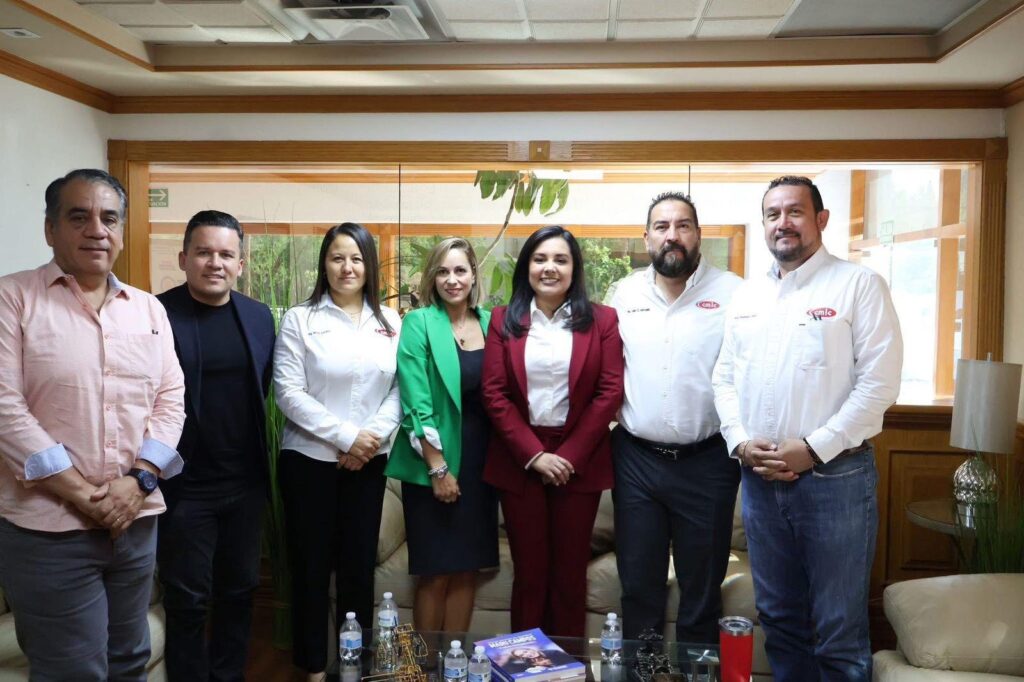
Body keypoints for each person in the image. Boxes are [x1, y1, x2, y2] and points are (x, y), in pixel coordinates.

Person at [712, 176, 903, 681]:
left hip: (835, 481)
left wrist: (814, 449)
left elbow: (879, 385)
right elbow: (724, 378)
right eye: (773, 214)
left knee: (838, 630)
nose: (783, 223)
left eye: (795, 212)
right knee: (779, 621)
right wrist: (739, 441)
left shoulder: (858, 285)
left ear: (821, 219)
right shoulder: (748, 295)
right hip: (758, 480)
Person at [0, 168, 185, 680]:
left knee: (130, 660)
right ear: (50, 229)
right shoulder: (13, 298)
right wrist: (85, 495)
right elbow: (5, 408)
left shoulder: (148, 309)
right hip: (47, 528)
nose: (96, 230)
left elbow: (170, 400)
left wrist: (140, 480)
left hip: (135, 521)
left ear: (121, 230)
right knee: (72, 671)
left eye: (109, 218)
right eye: (78, 217)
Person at [609, 192, 742, 643]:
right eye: (662, 227)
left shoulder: (733, 293)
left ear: (698, 235)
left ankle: (694, 673)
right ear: (646, 237)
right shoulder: (624, 294)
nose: (672, 235)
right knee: (638, 586)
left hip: (708, 461)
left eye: (683, 226)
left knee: (702, 591)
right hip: (636, 461)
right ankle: (642, 674)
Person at [481, 225, 624, 638]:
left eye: (560, 259)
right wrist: (534, 455)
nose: (550, 268)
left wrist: (569, 457)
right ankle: (524, 664)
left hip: (579, 460)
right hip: (519, 458)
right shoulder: (502, 320)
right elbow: (494, 393)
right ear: (526, 266)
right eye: (540, 259)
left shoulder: (602, 320)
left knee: (569, 576)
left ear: (574, 268)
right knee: (529, 574)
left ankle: (569, 665)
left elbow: (609, 391)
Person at [273, 223, 402, 681]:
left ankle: (354, 669)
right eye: (337, 258)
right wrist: (348, 437)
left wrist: (369, 440)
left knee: (357, 571)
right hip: (309, 462)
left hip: (368, 464)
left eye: (357, 258)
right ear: (324, 264)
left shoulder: (391, 323)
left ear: (369, 266)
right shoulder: (300, 319)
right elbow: (288, 392)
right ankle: (311, 669)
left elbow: (399, 390)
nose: (347, 267)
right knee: (309, 570)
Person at [156, 210, 275, 682]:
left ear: (240, 264)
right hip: (185, 486)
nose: (215, 263)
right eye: (203, 252)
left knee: (240, 593)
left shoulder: (259, 317)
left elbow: (262, 388)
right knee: (187, 599)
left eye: (226, 254)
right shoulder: (156, 314)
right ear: (183, 258)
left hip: (245, 484)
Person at [385, 238, 498, 632]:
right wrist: (438, 468)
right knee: (435, 572)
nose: (453, 279)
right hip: (432, 460)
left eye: (460, 270)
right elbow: (416, 401)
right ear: (432, 278)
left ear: (473, 275)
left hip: (482, 464)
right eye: (443, 271)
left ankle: (455, 662)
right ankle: (425, 663)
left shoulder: (492, 323)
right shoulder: (419, 322)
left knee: (467, 570)